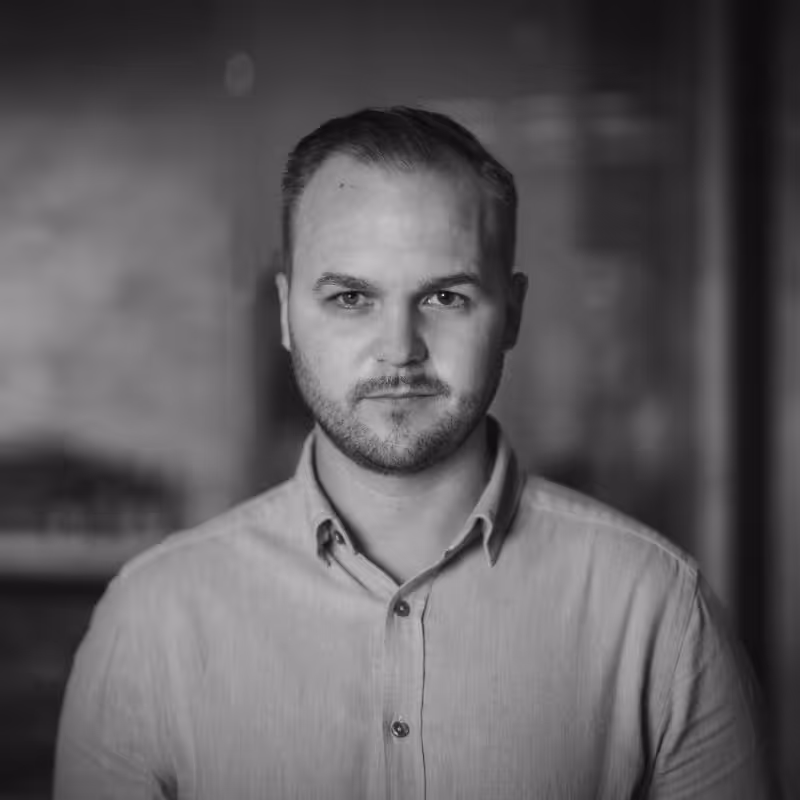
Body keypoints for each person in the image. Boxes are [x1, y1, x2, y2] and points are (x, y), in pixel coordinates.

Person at [55, 106, 778, 799]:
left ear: (512, 313)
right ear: (284, 313)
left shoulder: (659, 613)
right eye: (350, 298)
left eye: (444, 298)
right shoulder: (149, 621)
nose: (399, 349)